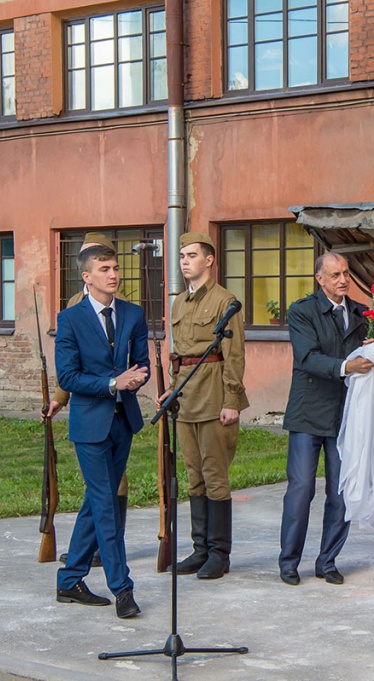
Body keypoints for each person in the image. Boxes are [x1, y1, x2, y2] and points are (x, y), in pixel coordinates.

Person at [54, 243, 149, 619]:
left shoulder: (133, 314)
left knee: (97, 501)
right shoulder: (70, 319)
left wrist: (136, 378)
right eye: (105, 269)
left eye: (116, 268)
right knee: (106, 504)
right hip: (90, 425)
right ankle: (122, 589)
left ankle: (69, 580)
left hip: (123, 422)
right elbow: (69, 377)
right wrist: (114, 382)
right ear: (87, 276)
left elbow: (141, 364)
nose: (114, 274)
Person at [157, 232, 249, 580]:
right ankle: (200, 548)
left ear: (209, 260)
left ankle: (219, 553)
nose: (184, 261)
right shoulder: (179, 302)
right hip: (186, 398)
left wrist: (231, 400)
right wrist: (170, 390)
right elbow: (177, 354)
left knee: (214, 477)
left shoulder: (227, 301)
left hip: (214, 398)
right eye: (182, 255)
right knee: (193, 476)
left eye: (192, 255)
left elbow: (234, 355)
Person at [279, 252, 373, 586]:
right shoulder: (302, 311)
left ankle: (328, 561)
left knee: (341, 492)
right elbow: (307, 358)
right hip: (307, 413)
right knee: (302, 488)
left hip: (346, 415)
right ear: (320, 279)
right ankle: (289, 562)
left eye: (346, 273)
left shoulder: (363, 313)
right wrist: (346, 367)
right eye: (335, 275)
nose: (343, 280)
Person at [44, 233, 129, 568]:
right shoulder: (72, 309)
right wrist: (58, 400)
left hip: (118, 409)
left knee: (113, 484)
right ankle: (86, 556)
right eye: (95, 262)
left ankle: (105, 547)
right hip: (90, 407)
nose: (107, 273)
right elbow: (70, 367)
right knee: (97, 486)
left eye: (110, 265)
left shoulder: (122, 308)